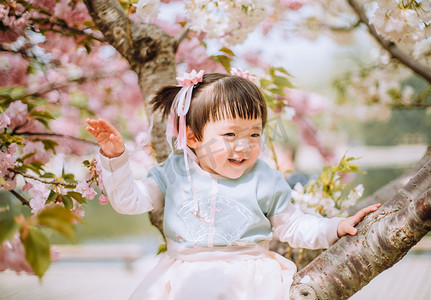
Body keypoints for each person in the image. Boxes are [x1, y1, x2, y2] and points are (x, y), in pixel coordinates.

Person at [86, 70, 380, 300]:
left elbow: (293, 225)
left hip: (251, 278)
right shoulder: (173, 174)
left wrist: (334, 227)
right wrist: (115, 159)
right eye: (230, 134)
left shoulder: (265, 177)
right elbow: (129, 202)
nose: (244, 146)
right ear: (192, 137)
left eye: (254, 134)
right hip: (185, 279)